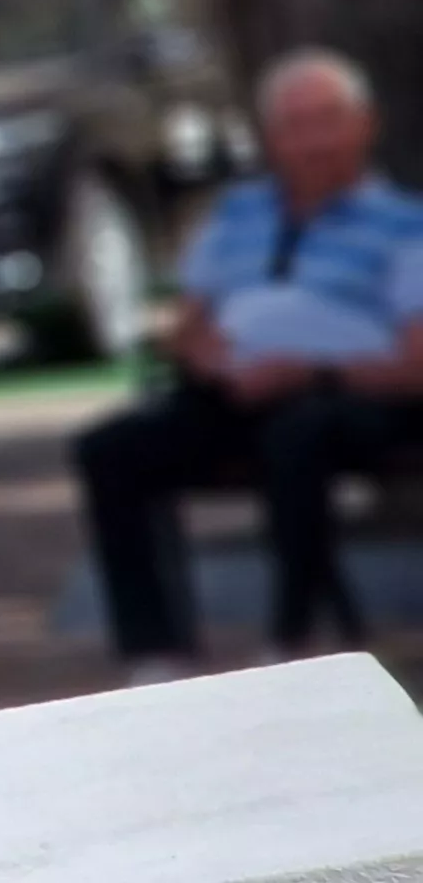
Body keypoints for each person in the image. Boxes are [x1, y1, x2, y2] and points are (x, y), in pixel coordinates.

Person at [73, 48, 423, 682]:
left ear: (364, 124)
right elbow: (190, 322)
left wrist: (310, 372)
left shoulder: (403, 225)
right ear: (271, 137)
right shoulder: (238, 215)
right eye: (296, 125)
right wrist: (207, 357)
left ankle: (294, 636)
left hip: (353, 398)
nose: (312, 141)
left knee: (299, 435)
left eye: (328, 119)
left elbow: (415, 358)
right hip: (234, 394)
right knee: (112, 448)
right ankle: (155, 652)